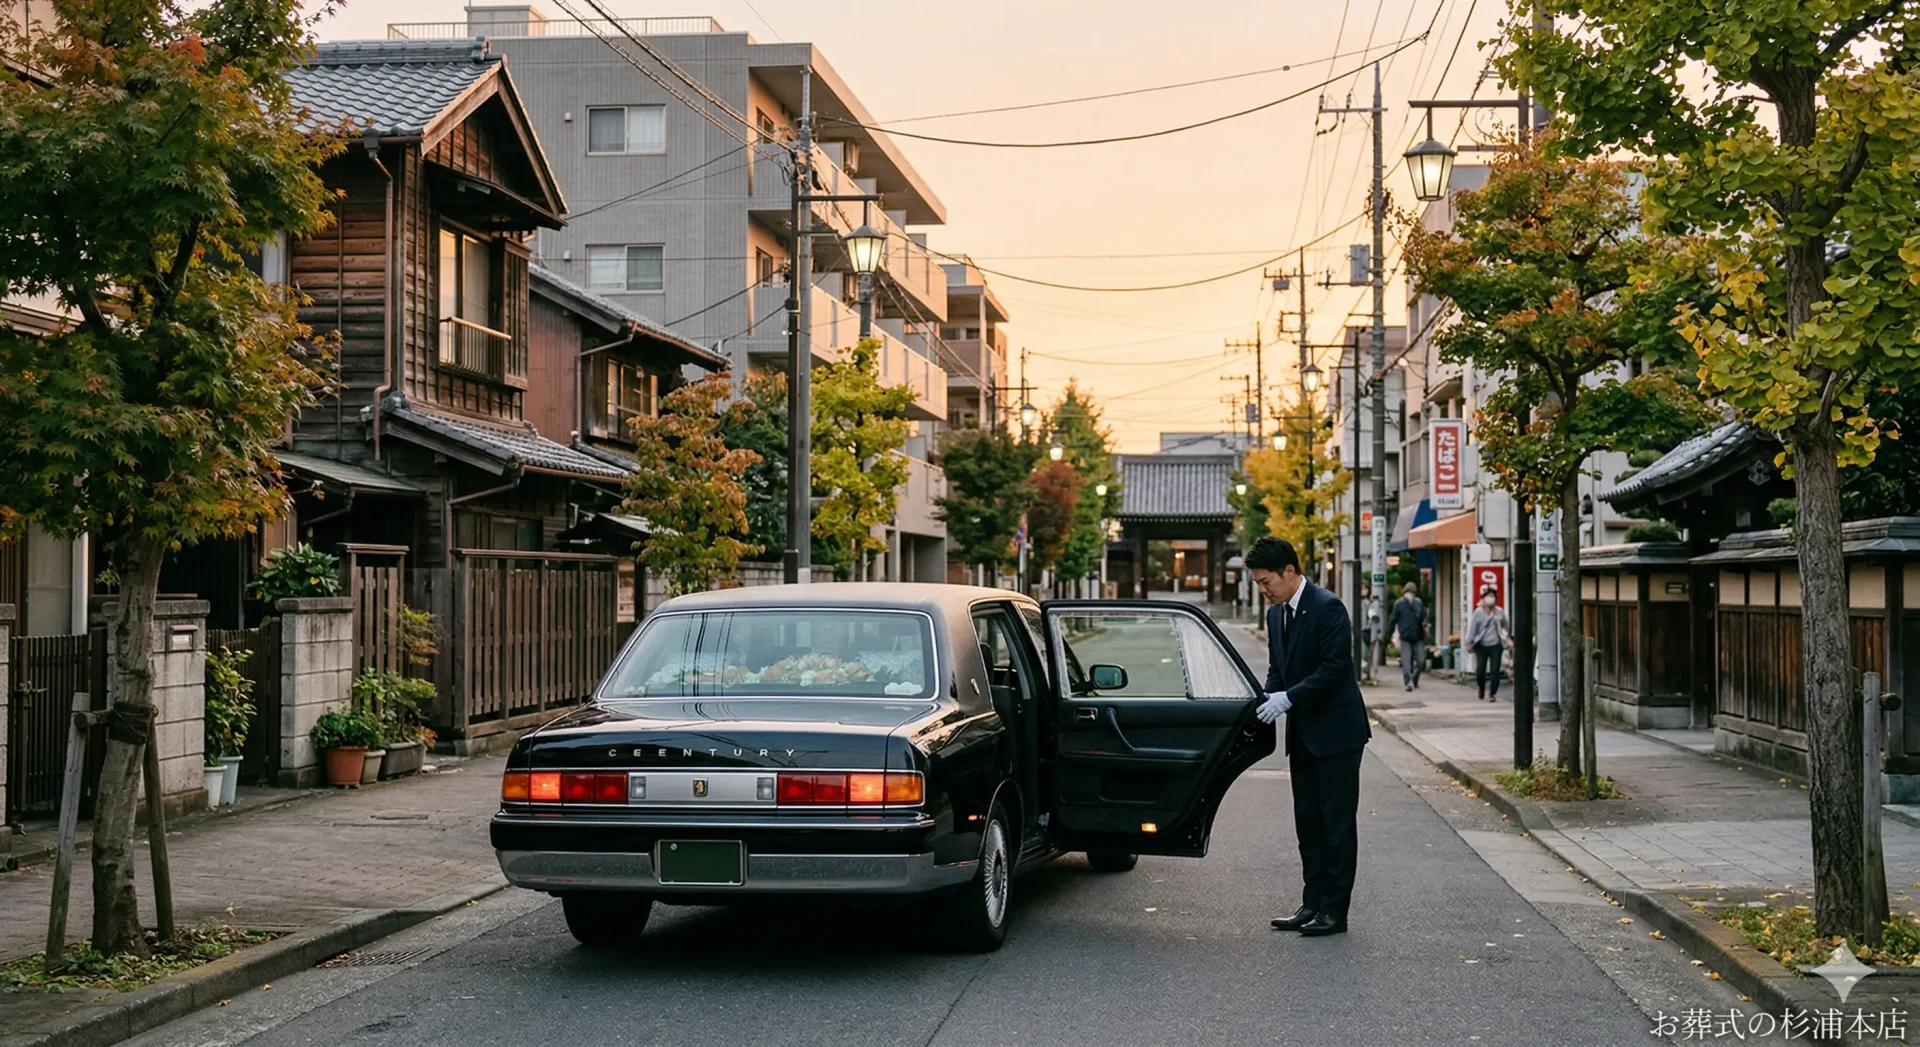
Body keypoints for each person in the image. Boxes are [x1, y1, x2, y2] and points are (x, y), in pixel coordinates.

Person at [1248, 536, 1372, 938]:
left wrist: (1287, 699)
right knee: (1308, 823)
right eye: (1257, 584)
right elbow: (1278, 669)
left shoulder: (1328, 607)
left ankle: (1335, 911)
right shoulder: (1276, 615)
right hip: (1302, 733)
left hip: (1337, 733)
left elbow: (1334, 669)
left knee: (1336, 823)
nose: (1263, 590)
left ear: (1289, 571)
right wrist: (1267, 696)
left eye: (1266, 582)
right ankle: (1312, 903)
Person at [1466, 588, 1512, 701]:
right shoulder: (1478, 613)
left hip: (1496, 645)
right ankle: (1481, 687)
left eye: (1493, 596)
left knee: (1495, 670)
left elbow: (1506, 626)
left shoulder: (1499, 612)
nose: (1490, 599)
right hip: (1481, 645)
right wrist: (1469, 643)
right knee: (1480, 671)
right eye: (1488, 596)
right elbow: (1472, 629)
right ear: (1483, 598)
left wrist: (1509, 639)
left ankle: (1492, 693)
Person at [1388, 582, 1427, 691]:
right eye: (1409, 592)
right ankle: (1408, 682)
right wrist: (1388, 634)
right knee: (1406, 662)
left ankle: (1414, 679)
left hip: (1418, 636)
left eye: (1413, 593)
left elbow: (1423, 617)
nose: (1411, 595)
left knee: (1421, 660)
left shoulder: (1418, 603)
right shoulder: (1399, 604)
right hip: (1405, 636)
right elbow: (1393, 619)